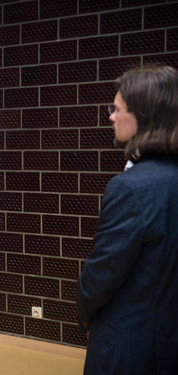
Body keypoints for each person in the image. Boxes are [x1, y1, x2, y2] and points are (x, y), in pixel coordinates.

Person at [76, 65, 178, 374]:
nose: (111, 116)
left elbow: (103, 273)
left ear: (143, 117)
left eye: (117, 109)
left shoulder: (131, 187)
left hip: (128, 346)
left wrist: (84, 312)